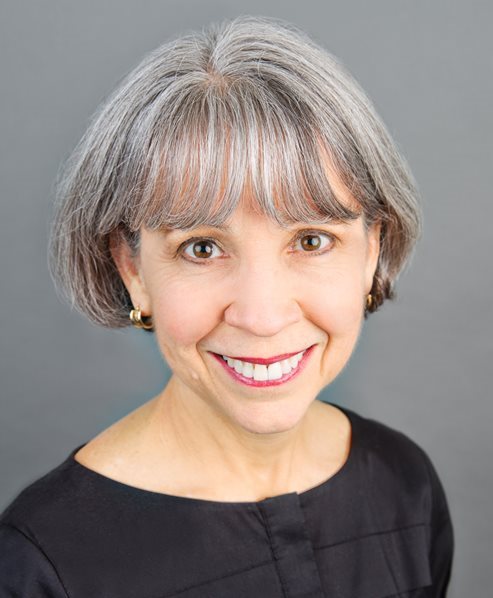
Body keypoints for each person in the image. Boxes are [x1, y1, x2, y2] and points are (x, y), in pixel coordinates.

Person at [0, 15, 453, 597]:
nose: (262, 317)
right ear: (132, 269)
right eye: (203, 248)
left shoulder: (405, 486)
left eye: (311, 240)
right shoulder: (39, 566)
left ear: (372, 252)